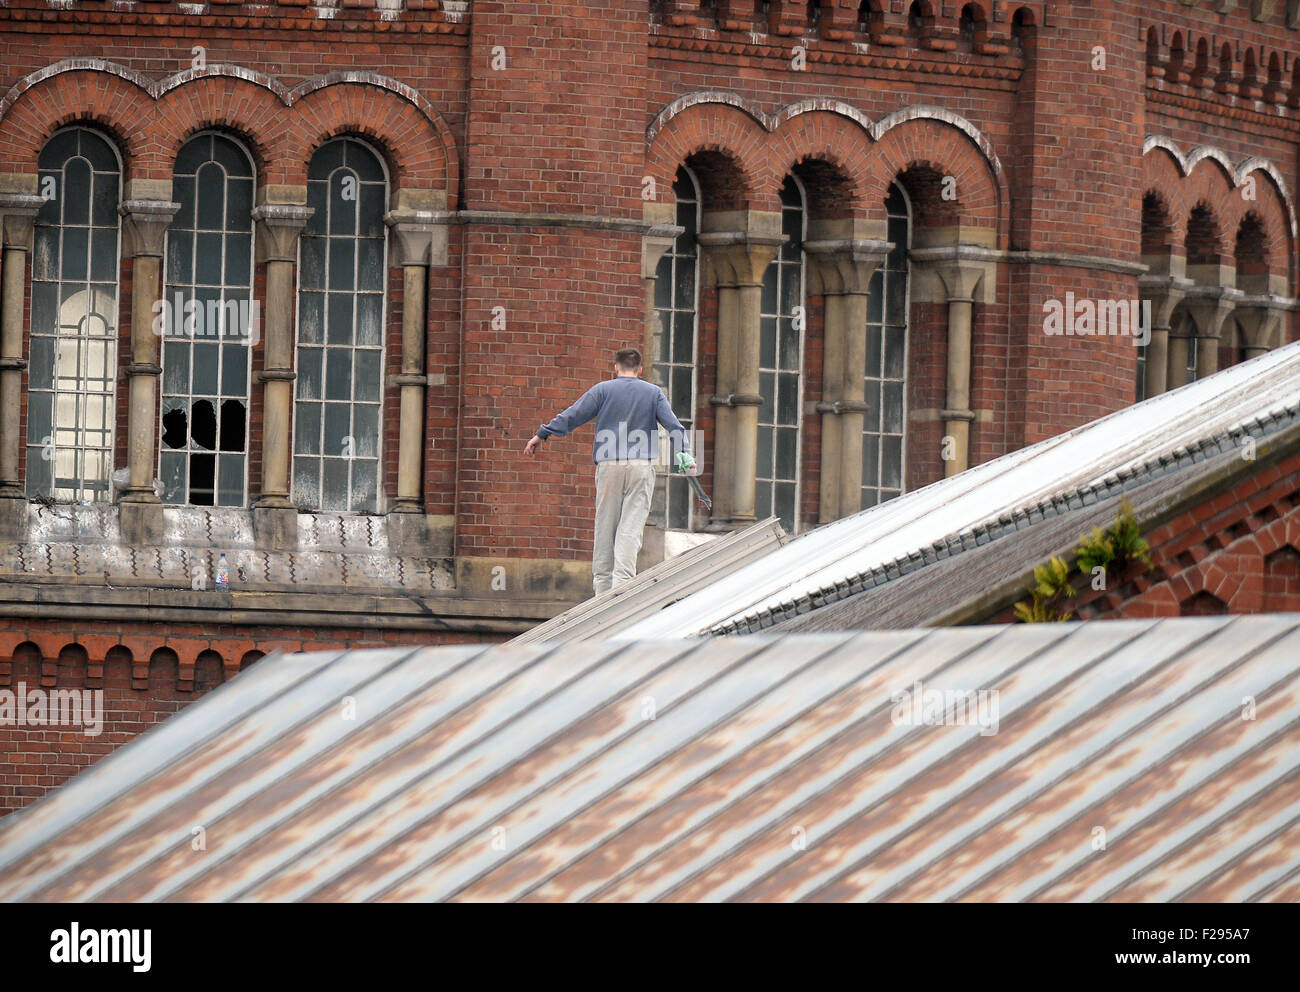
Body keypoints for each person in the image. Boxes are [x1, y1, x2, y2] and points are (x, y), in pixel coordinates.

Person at [524, 347, 693, 596]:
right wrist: (685, 455)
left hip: (609, 464)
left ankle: (602, 592)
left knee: (605, 526)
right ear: (640, 370)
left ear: (615, 367)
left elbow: (573, 414)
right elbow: (674, 427)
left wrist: (543, 434)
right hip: (639, 466)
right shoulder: (653, 393)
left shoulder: (603, 390)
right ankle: (621, 590)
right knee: (630, 529)